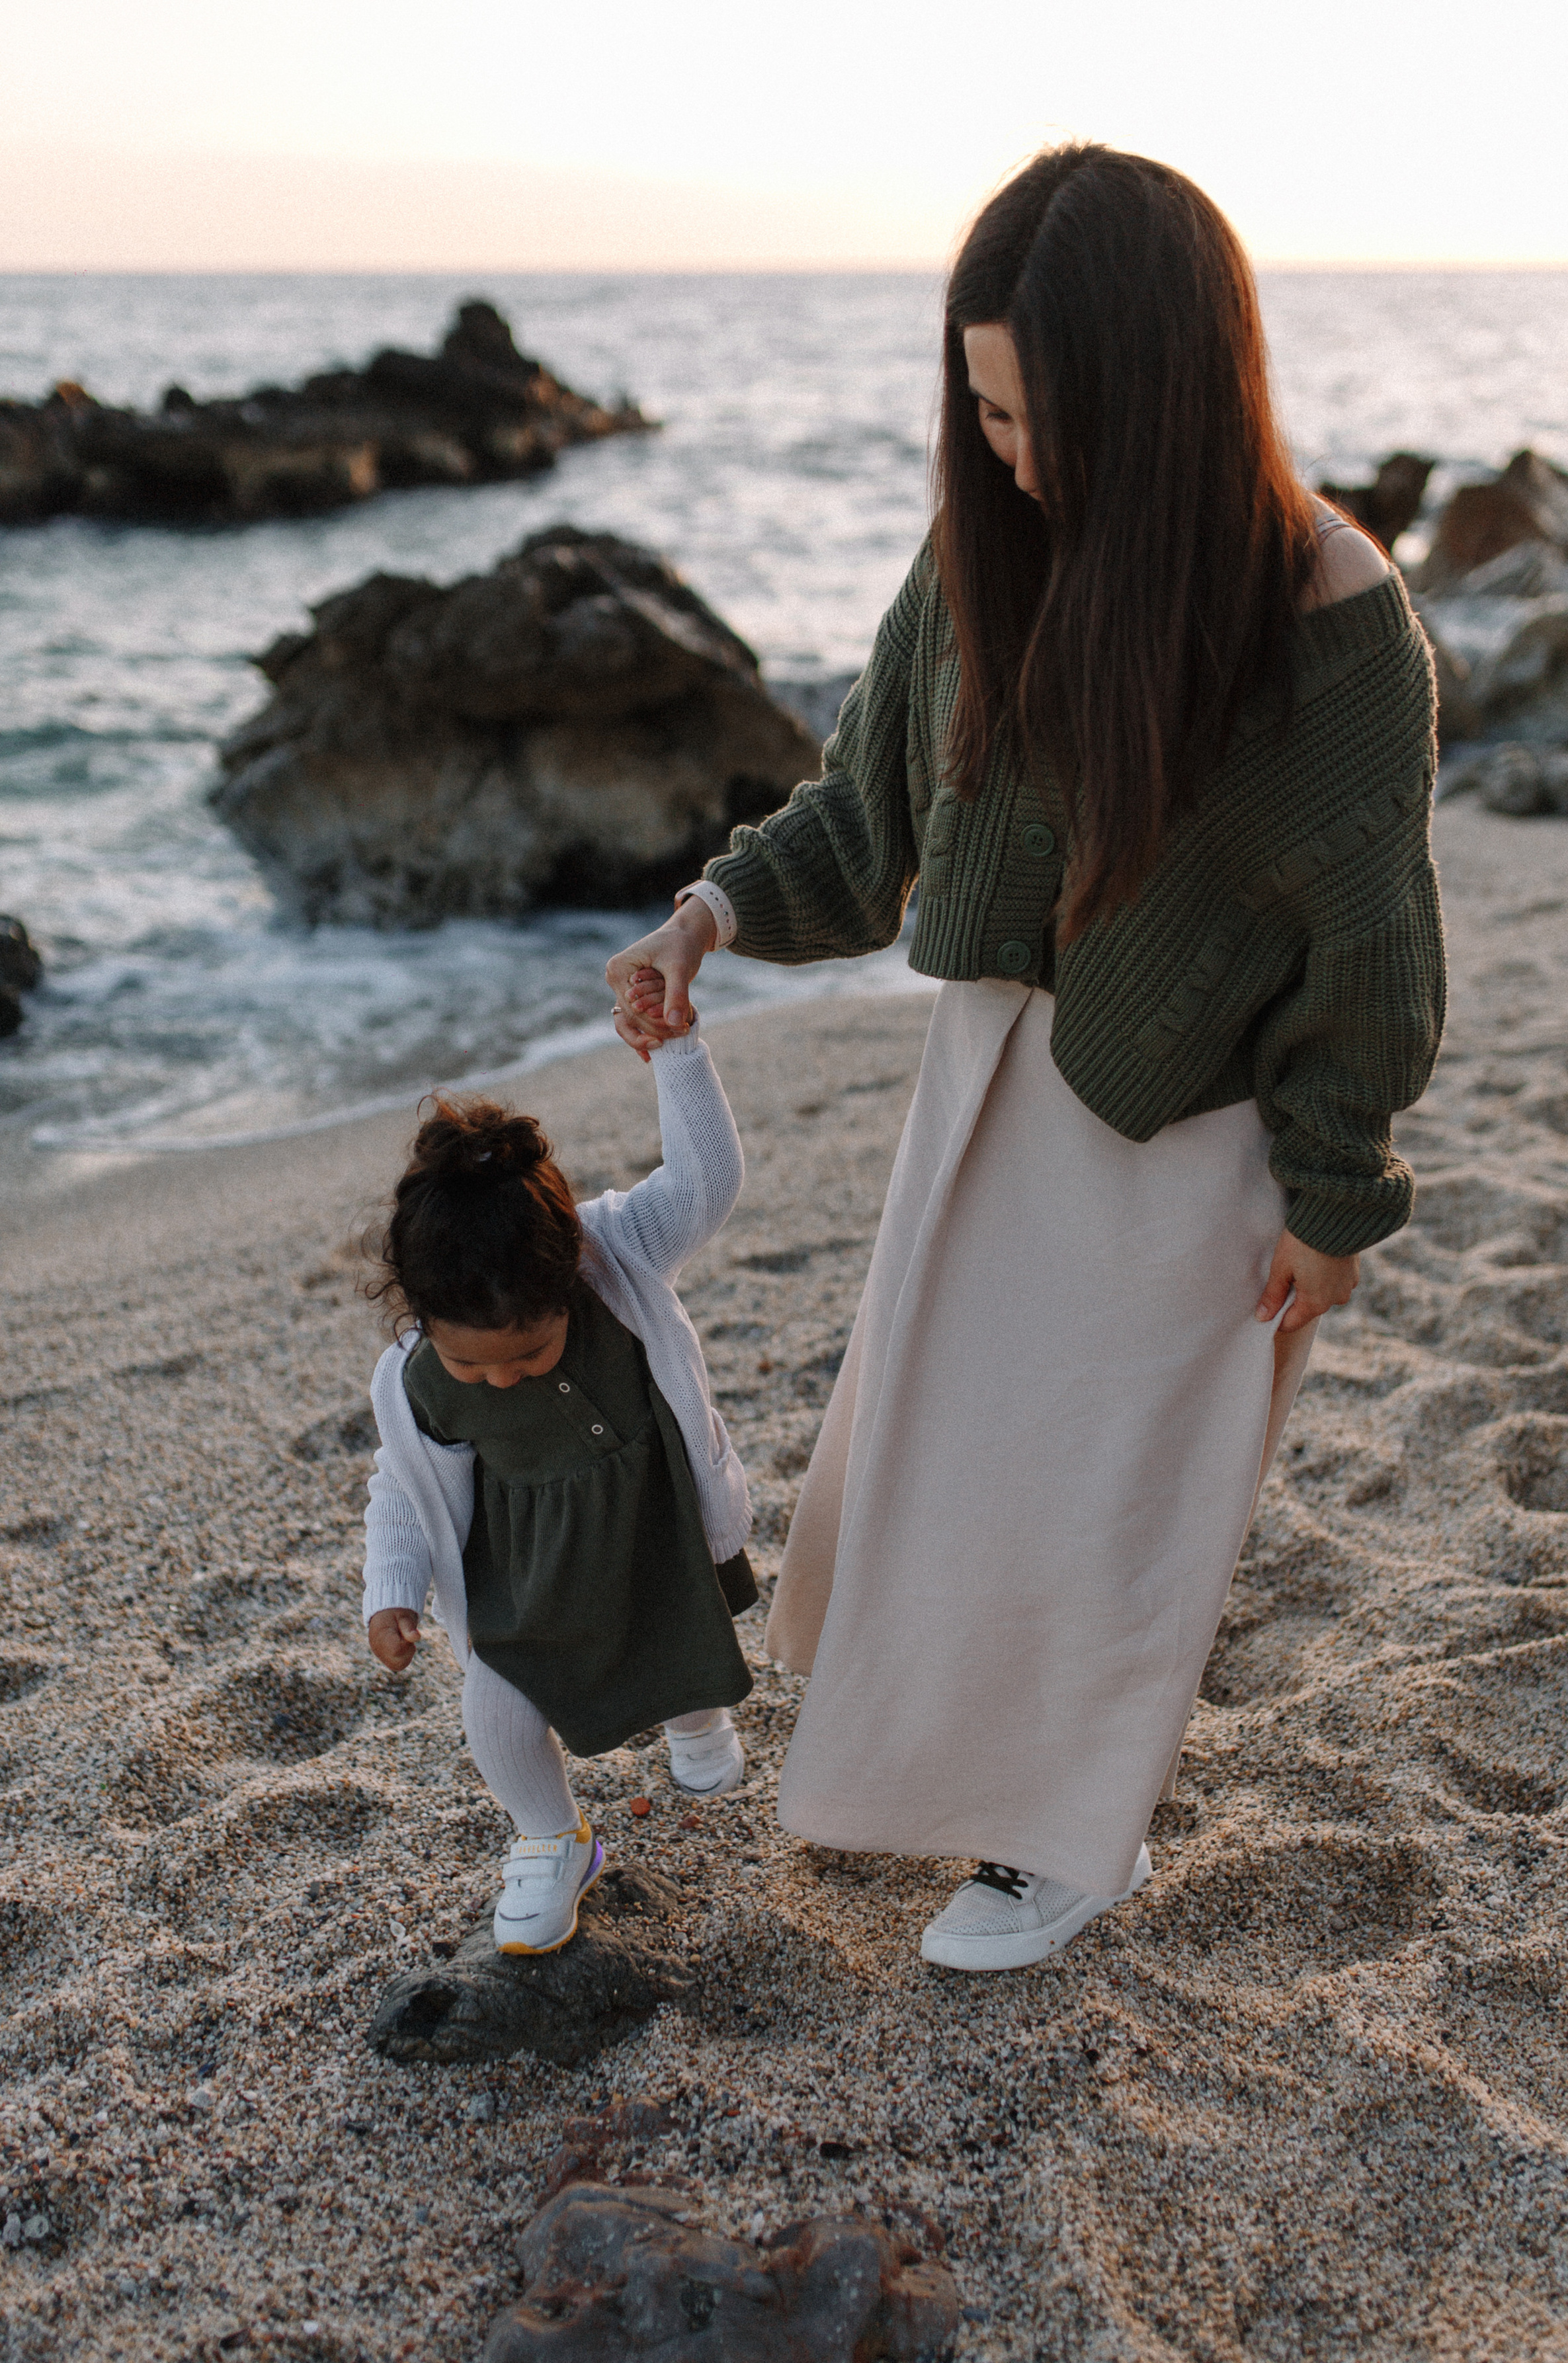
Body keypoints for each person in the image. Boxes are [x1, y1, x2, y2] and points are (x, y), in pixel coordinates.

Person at [607, 145, 1444, 1974]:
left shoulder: (1331, 621)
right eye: (980, 409)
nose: (1006, 454)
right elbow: (866, 809)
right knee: (954, 1456)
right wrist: (707, 922)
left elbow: (1367, 951)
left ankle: (1070, 1842)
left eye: (1040, 415)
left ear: (1164, 392)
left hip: (1191, 1138)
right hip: (988, 1085)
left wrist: (1337, 1199)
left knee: (1111, 1502)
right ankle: (979, 1775)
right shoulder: (987, 551)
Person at [361, 1001, 757, 1954]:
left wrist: (677, 1053)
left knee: (682, 1651)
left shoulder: (618, 1252)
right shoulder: (418, 1379)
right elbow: (400, 1489)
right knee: (496, 1714)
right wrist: (391, 1591)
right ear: (418, 1314)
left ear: (570, 1271)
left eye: (528, 1353)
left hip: (649, 1529)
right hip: (523, 1582)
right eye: (474, 1365)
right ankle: (551, 1840)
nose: (500, 1377)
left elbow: (708, 1181)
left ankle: (697, 1733)